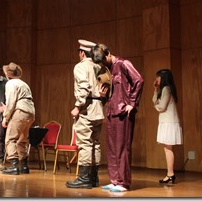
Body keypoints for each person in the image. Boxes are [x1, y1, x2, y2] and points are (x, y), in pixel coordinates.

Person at [93, 43, 144, 192]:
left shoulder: (123, 64)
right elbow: (111, 92)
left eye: (103, 60)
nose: (102, 64)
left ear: (108, 53)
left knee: (122, 147)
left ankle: (123, 182)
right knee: (112, 147)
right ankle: (114, 180)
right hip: (111, 111)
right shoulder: (108, 70)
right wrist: (103, 96)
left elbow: (139, 80)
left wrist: (132, 103)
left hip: (123, 111)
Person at [66, 40, 109, 189]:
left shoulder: (81, 66)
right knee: (95, 143)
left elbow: (84, 87)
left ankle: (84, 178)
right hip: (99, 109)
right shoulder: (100, 67)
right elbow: (107, 87)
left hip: (87, 108)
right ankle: (93, 178)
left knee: (84, 143)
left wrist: (78, 106)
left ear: (82, 53)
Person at [0, 62, 35, 175]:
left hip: (20, 112)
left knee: (10, 138)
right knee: (22, 139)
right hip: (30, 112)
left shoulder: (10, 83)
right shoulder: (24, 83)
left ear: (8, 74)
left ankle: (14, 166)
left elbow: (11, 102)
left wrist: (5, 117)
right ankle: (24, 166)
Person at [152, 69, 182, 184]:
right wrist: (155, 90)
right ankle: (170, 174)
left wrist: (156, 105)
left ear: (163, 78)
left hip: (168, 122)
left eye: (158, 77)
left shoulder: (166, 89)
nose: (156, 80)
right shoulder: (165, 89)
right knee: (167, 149)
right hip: (167, 122)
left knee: (168, 149)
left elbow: (161, 107)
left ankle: (170, 174)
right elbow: (155, 101)